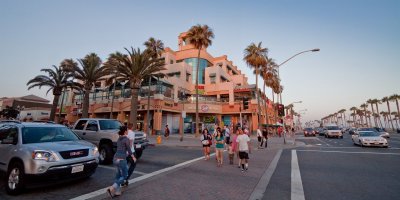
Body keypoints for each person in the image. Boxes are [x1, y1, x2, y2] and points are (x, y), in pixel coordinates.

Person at [107, 126, 135, 198]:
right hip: (121, 159)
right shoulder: (126, 139)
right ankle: (112, 188)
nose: (128, 131)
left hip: (115, 158)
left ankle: (117, 192)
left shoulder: (119, 138)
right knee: (125, 175)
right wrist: (133, 157)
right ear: (125, 131)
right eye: (127, 130)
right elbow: (129, 150)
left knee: (118, 175)